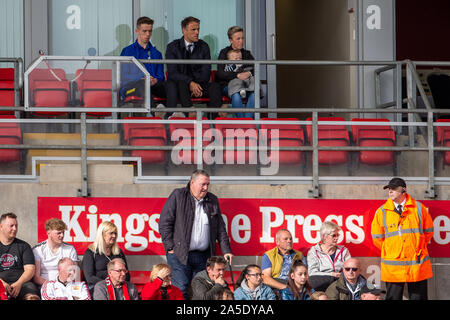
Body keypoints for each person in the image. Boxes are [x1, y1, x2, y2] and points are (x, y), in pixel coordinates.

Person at [158, 169, 233, 298]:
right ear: (192, 182)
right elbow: (164, 223)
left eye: (208, 184)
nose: (205, 188)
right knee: (181, 288)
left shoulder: (212, 199)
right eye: (203, 184)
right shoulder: (178, 195)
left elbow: (220, 228)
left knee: (200, 290)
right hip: (180, 254)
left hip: (203, 256)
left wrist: (226, 250)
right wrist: (170, 247)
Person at [371, 177, 434, 300]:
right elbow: (377, 238)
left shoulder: (419, 208)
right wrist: (392, 250)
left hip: (416, 264)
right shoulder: (382, 211)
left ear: (404, 190)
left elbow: (428, 232)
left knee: (418, 297)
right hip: (393, 266)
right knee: (393, 297)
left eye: (394, 189)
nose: (390, 191)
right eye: (389, 189)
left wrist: (416, 247)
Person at [165, 16, 226, 118]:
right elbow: (172, 73)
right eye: (193, 29)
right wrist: (190, 82)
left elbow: (206, 72)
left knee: (215, 86)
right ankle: (190, 115)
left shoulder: (204, 46)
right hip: (182, 85)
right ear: (184, 30)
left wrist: (195, 86)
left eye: (198, 29)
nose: (197, 32)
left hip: (199, 85)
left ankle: (216, 121)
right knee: (181, 84)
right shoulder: (172, 47)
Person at [120, 16, 166, 111]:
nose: (148, 34)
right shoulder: (127, 51)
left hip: (152, 86)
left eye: (150, 31)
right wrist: (141, 79)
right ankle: (155, 112)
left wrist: (155, 80)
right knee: (142, 83)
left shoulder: (157, 53)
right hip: (132, 88)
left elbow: (161, 75)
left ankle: (171, 115)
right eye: (144, 31)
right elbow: (123, 75)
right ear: (137, 31)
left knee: (171, 85)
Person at [216, 26, 256, 118]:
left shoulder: (247, 54)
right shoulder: (224, 53)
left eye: (242, 38)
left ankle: (247, 123)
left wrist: (248, 73)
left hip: (246, 85)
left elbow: (255, 69)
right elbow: (221, 74)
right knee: (236, 94)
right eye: (238, 39)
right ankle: (241, 123)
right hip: (227, 85)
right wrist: (237, 75)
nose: (241, 41)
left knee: (254, 95)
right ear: (231, 40)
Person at [81, 221, 130, 293]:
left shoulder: (118, 252)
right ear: (102, 235)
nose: (114, 236)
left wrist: (117, 284)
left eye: (115, 233)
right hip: (97, 287)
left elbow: (127, 275)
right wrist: (109, 284)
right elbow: (89, 278)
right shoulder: (91, 252)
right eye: (111, 233)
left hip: (118, 287)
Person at [0, 213, 39, 300]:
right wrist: (2, 284)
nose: (15, 229)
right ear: (1, 226)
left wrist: (19, 283)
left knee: (32, 297)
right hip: (1, 283)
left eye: (16, 226)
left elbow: (30, 270)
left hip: (22, 283)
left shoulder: (24, 246)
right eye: (11, 226)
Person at [32, 218, 79, 287]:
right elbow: (36, 277)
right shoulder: (38, 249)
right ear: (49, 233)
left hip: (66, 285)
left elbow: (75, 273)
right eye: (58, 233)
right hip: (43, 285)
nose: (62, 235)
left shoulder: (70, 249)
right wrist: (53, 285)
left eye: (63, 232)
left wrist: (61, 286)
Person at [307, 221, 351, 291]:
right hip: (322, 283)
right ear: (324, 237)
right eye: (334, 235)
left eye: (338, 235)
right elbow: (312, 273)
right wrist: (331, 274)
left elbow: (350, 268)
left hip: (340, 282)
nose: (336, 238)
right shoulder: (314, 251)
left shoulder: (343, 250)